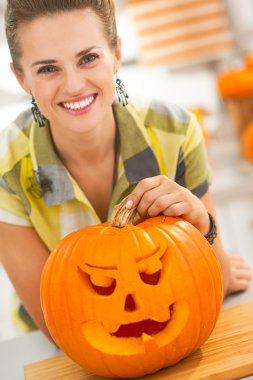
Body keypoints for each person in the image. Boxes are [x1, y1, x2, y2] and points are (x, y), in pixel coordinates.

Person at [1, 0, 251, 340]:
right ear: (21, 77)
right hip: (51, 348)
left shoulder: (176, 131)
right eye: (48, 69)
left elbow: (216, 284)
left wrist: (203, 225)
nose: (74, 85)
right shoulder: (6, 169)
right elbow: (61, 326)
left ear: (116, 53)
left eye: (88, 58)